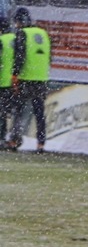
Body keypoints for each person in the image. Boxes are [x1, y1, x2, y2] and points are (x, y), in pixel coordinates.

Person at [6, 8, 51, 153]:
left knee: (19, 111)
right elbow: (50, 57)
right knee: (39, 112)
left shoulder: (22, 34)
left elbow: (20, 56)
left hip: (26, 78)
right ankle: (41, 144)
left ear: (18, 22)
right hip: (41, 79)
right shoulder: (43, 33)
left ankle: (14, 140)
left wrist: (15, 74)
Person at [0, 17, 14, 146]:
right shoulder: (15, 39)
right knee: (5, 112)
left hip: (2, 81)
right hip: (14, 81)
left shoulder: (1, 40)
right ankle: (5, 137)